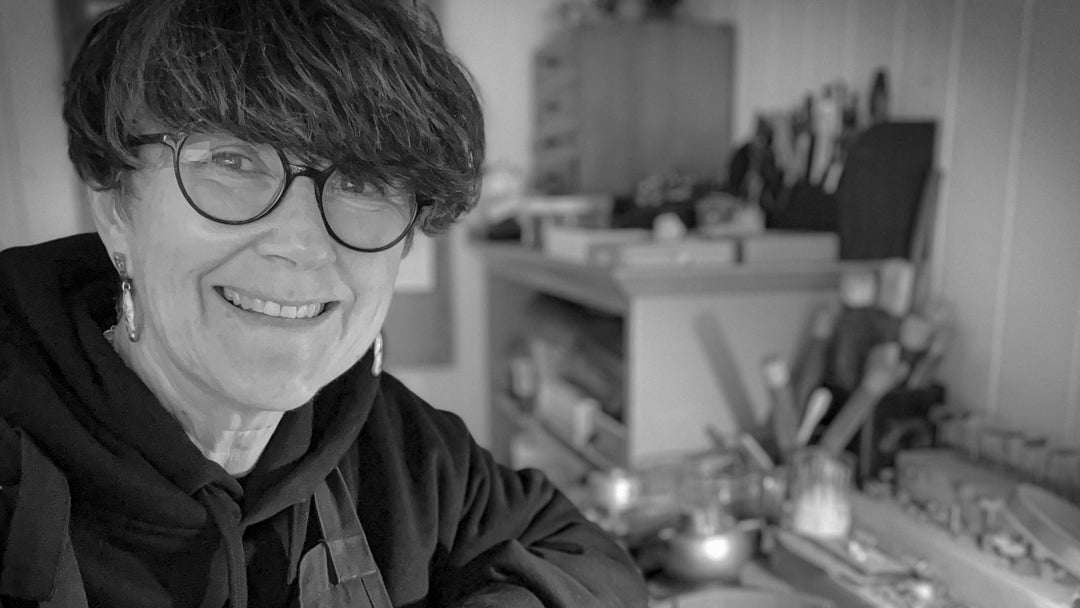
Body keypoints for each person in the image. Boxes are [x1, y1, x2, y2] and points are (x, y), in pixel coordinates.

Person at [0, 1, 649, 606]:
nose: (302, 244)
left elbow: (586, 556)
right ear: (117, 205)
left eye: (362, 180)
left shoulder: (392, 444)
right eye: (232, 159)